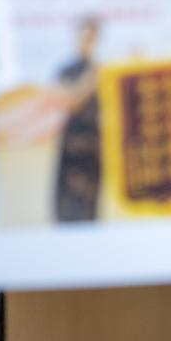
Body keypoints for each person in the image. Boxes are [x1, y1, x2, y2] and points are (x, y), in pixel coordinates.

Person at [54, 16, 101, 223]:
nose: (86, 43)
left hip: (93, 142)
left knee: (91, 202)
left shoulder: (101, 70)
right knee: (67, 202)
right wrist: (90, 81)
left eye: (90, 38)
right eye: (83, 37)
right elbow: (70, 103)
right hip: (71, 143)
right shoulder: (66, 70)